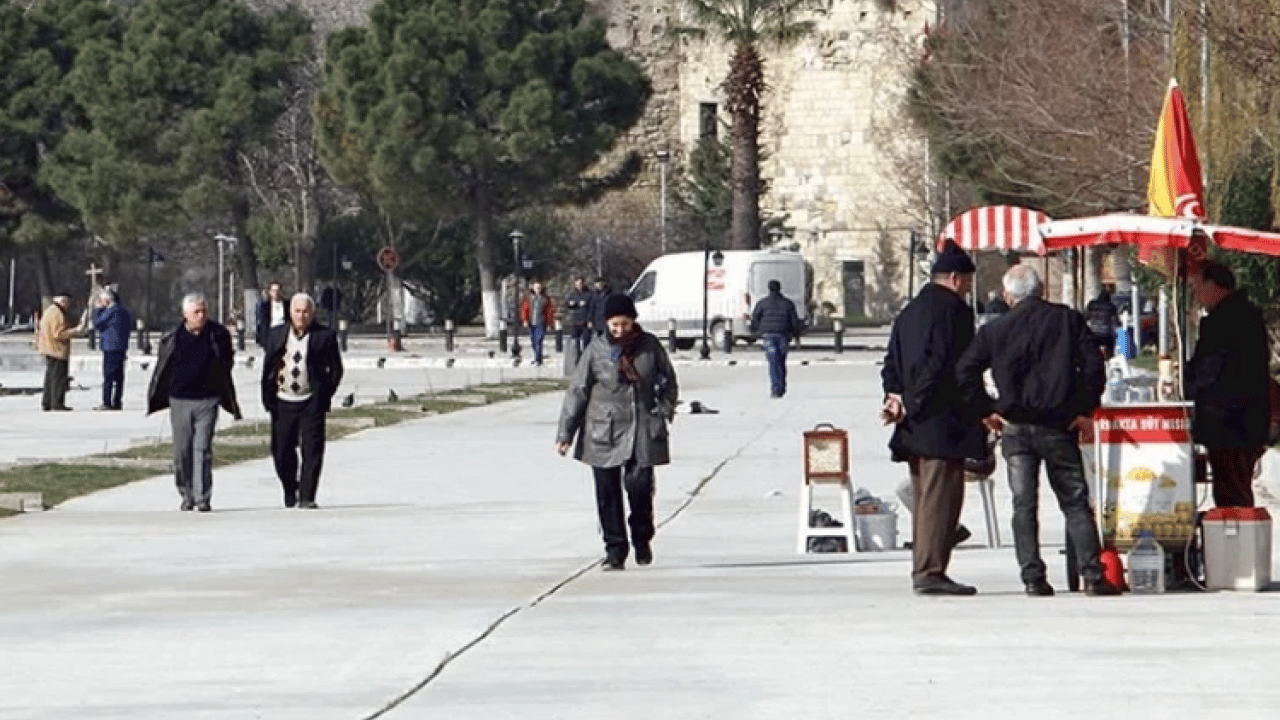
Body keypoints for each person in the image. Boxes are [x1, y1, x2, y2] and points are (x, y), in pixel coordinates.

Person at [956, 265, 1121, 597]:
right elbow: (1093, 366)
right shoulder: (1067, 320)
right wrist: (1082, 408)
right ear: (1042, 289)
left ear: (1008, 295)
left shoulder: (996, 330)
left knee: (1023, 503)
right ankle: (1092, 573)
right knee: (1074, 501)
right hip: (1059, 425)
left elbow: (965, 371)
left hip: (1015, 427)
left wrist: (987, 410)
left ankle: (1033, 577)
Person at [880, 240, 984, 596]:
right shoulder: (954, 312)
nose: (969, 290)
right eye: (968, 283)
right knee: (942, 500)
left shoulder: (910, 311)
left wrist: (894, 397)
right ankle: (930, 570)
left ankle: (926, 566)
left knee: (926, 498)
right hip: (941, 420)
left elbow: (892, 360)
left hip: (912, 422)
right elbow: (941, 364)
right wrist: (915, 401)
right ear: (955, 279)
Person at [556, 293, 679, 570]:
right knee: (607, 492)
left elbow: (669, 382)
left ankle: (642, 537)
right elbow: (578, 391)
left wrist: (662, 410)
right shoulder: (596, 349)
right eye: (614, 325)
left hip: (642, 425)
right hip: (603, 429)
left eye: (624, 324)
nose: (620, 330)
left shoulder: (649, 347)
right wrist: (565, 434)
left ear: (633, 321)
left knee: (640, 487)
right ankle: (615, 550)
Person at [146, 293, 243, 512]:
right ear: (185, 315)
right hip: (180, 400)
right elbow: (163, 367)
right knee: (182, 451)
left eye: (204, 311)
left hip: (207, 400)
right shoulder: (173, 336)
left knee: (202, 449)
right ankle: (186, 493)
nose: (201, 316)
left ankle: (202, 497)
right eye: (196, 312)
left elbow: (227, 361)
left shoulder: (218, 334)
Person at [1185, 260, 1270, 508]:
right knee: (1233, 489)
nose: (1195, 295)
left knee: (1232, 494)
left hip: (1231, 423)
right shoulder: (1242, 315)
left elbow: (1210, 371)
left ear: (1214, 285)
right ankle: (1234, 539)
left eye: (1197, 287)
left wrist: (1188, 383)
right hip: (1240, 422)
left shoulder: (1228, 321)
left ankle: (1236, 542)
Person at [262, 293, 344, 509]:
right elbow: (268, 367)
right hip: (282, 401)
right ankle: (291, 489)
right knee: (282, 451)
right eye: (297, 311)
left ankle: (307, 495)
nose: (302, 315)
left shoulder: (324, 336)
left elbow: (336, 369)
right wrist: (267, 397)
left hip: (311, 402)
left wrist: (324, 394)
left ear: (312, 313)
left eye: (306, 311)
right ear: (291, 313)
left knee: (312, 449)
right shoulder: (277, 335)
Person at [749, 279, 802, 398]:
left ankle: (775, 388)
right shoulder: (788, 303)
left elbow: (755, 319)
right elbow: (794, 321)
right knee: (781, 361)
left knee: (773, 362)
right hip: (783, 334)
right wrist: (796, 335)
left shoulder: (762, 303)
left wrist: (755, 331)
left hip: (768, 335)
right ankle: (782, 386)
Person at [36, 292, 82, 411]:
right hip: (57, 349)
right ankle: (57, 403)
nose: (69, 305)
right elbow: (58, 334)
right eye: (68, 302)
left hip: (49, 348)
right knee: (58, 378)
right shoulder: (58, 314)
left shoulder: (49, 310)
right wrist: (75, 331)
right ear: (63, 301)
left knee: (50, 377)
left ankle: (47, 401)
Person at [91, 288, 134, 411]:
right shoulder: (124, 311)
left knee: (108, 376)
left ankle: (107, 401)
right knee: (119, 376)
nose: (100, 302)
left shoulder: (111, 311)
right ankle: (117, 401)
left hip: (110, 346)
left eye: (102, 300)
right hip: (121, 346)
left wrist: (98, 309)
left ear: (108, 300)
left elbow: (97, 323)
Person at [520, 280, 556, 366]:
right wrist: (525, 320)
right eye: (536, 288)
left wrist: (549, 324)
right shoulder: (528, 298)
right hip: (531, 323)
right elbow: (525, 309)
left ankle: (538, 359)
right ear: (533, 288)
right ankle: (537, 356)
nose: (538, 289)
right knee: (533, 342)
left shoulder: (545, 298)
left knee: (539, 341)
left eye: (539, 288)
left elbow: (549, 312)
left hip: (541, 323)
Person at [1085, 286, 1120, 359]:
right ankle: (1109, 358)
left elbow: (1085, 317)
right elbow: (1116, 322)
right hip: (1106, 334)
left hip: (1093, 333)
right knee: (1110, 349)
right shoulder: (1111, 307)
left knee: (1093, 350)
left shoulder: (1092, 305)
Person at [563, 276, 593, 355]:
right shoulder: (572, 292)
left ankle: (586, 356)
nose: (580, 284)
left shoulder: (589, 293)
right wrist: (571, 303)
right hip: (575, 319)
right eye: (578, 283)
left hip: (585, 319)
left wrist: (590, 320)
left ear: (584, 283)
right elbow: (567, 302)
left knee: (586, 339)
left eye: (581, 283)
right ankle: (577, 355)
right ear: (575, 283)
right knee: (575, 339)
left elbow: (592, 307)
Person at [255, 281, 286, 348]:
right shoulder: (265, 306)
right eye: (274, 291)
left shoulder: (287, 305)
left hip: (283, 336)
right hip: (270, 336)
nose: (276, 293)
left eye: (278, 290)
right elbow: (262, 323)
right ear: (269, 292)